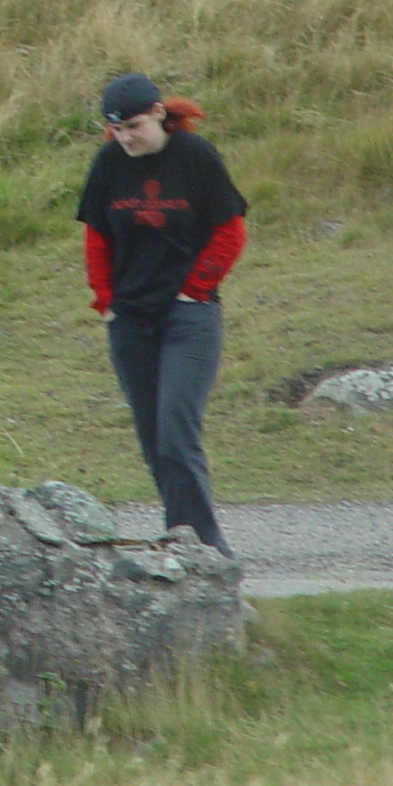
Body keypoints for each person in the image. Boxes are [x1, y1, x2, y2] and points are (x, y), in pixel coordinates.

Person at [76, 72, 246, 556]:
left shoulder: (195, 157)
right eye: (116, 130)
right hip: (130, 322)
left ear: (156, 114)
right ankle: (182, 541)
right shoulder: (109, 162)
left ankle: (204, 550)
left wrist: (196, 289)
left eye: (133, 126)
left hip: (188, 321)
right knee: (154, 443)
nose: (125, 138)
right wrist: (106, 303)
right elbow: (96, 239)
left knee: (176, 433)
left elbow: (230, 232)